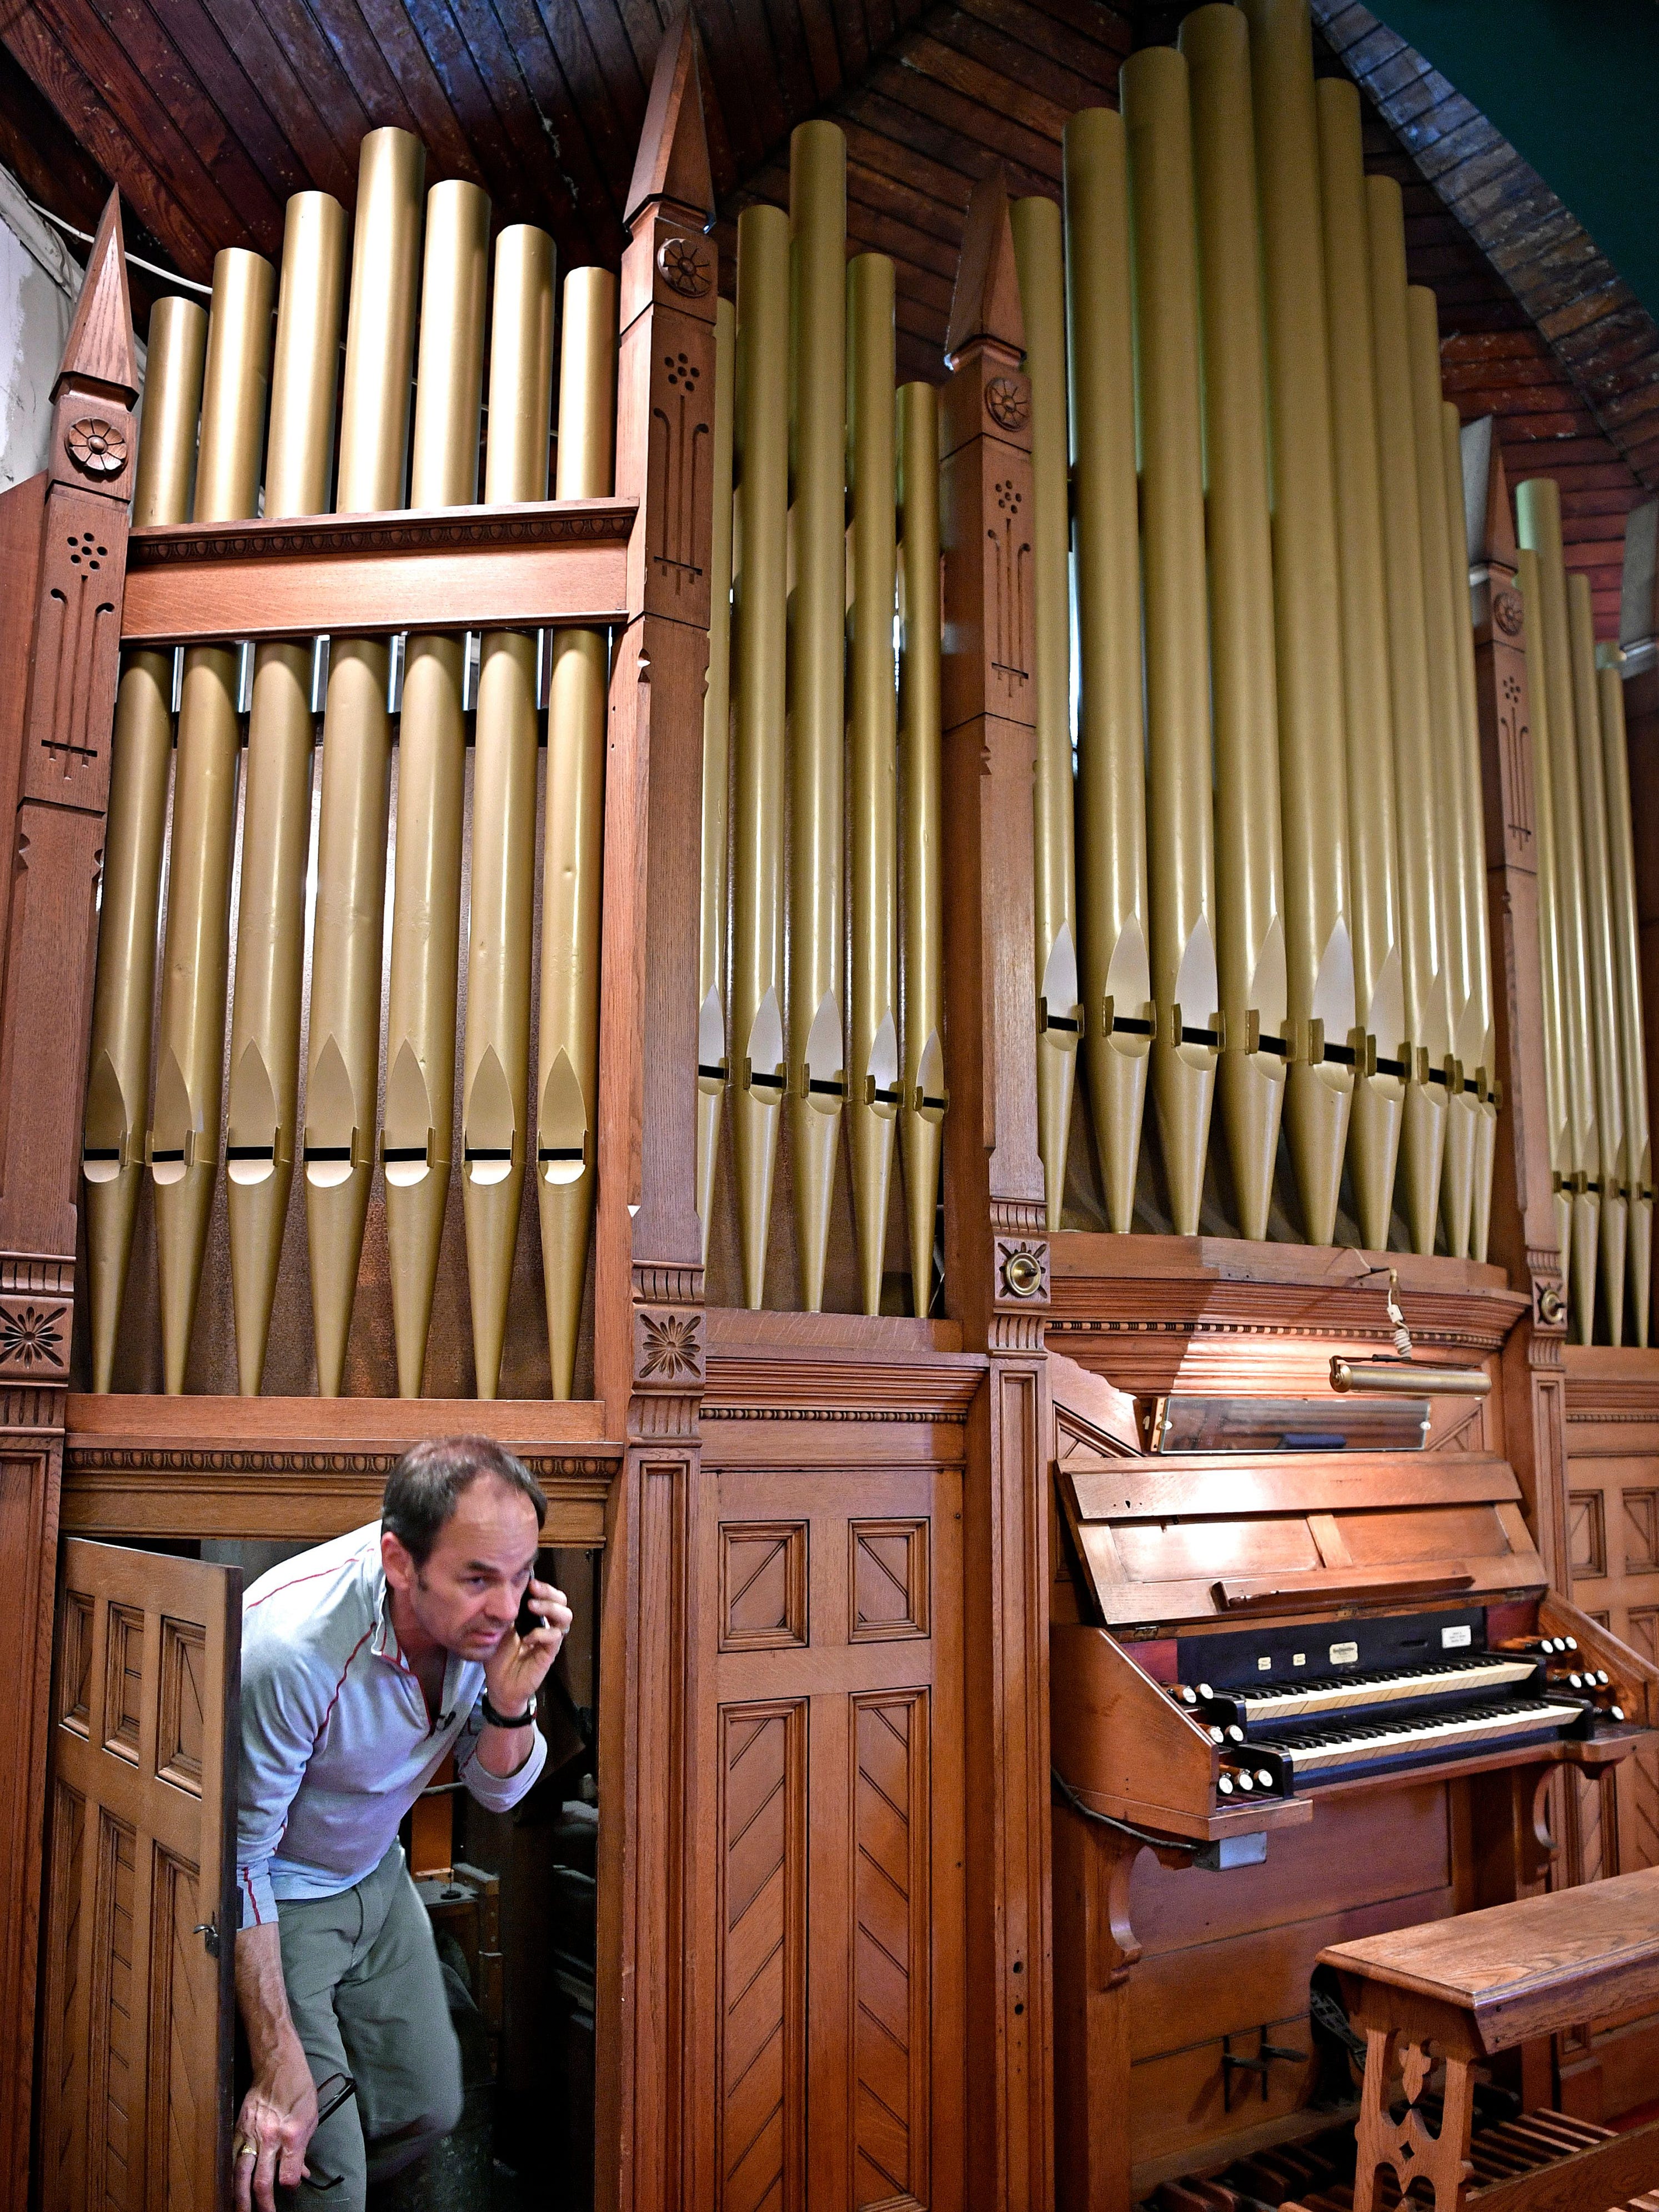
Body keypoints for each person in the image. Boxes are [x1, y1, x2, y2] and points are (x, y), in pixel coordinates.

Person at [230, 1435, 573, 2211]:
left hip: (376, 1870)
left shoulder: (488, 1621)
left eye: (522, 1574)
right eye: (478, 1579)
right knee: (320, 2173)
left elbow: (496, 1794)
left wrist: (510, 1700)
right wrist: (275, 2058)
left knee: (430, 2107)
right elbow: (240, 1858)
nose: (506, 1607)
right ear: (398, 1561)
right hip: (282, 1892)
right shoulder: (292, 1649)